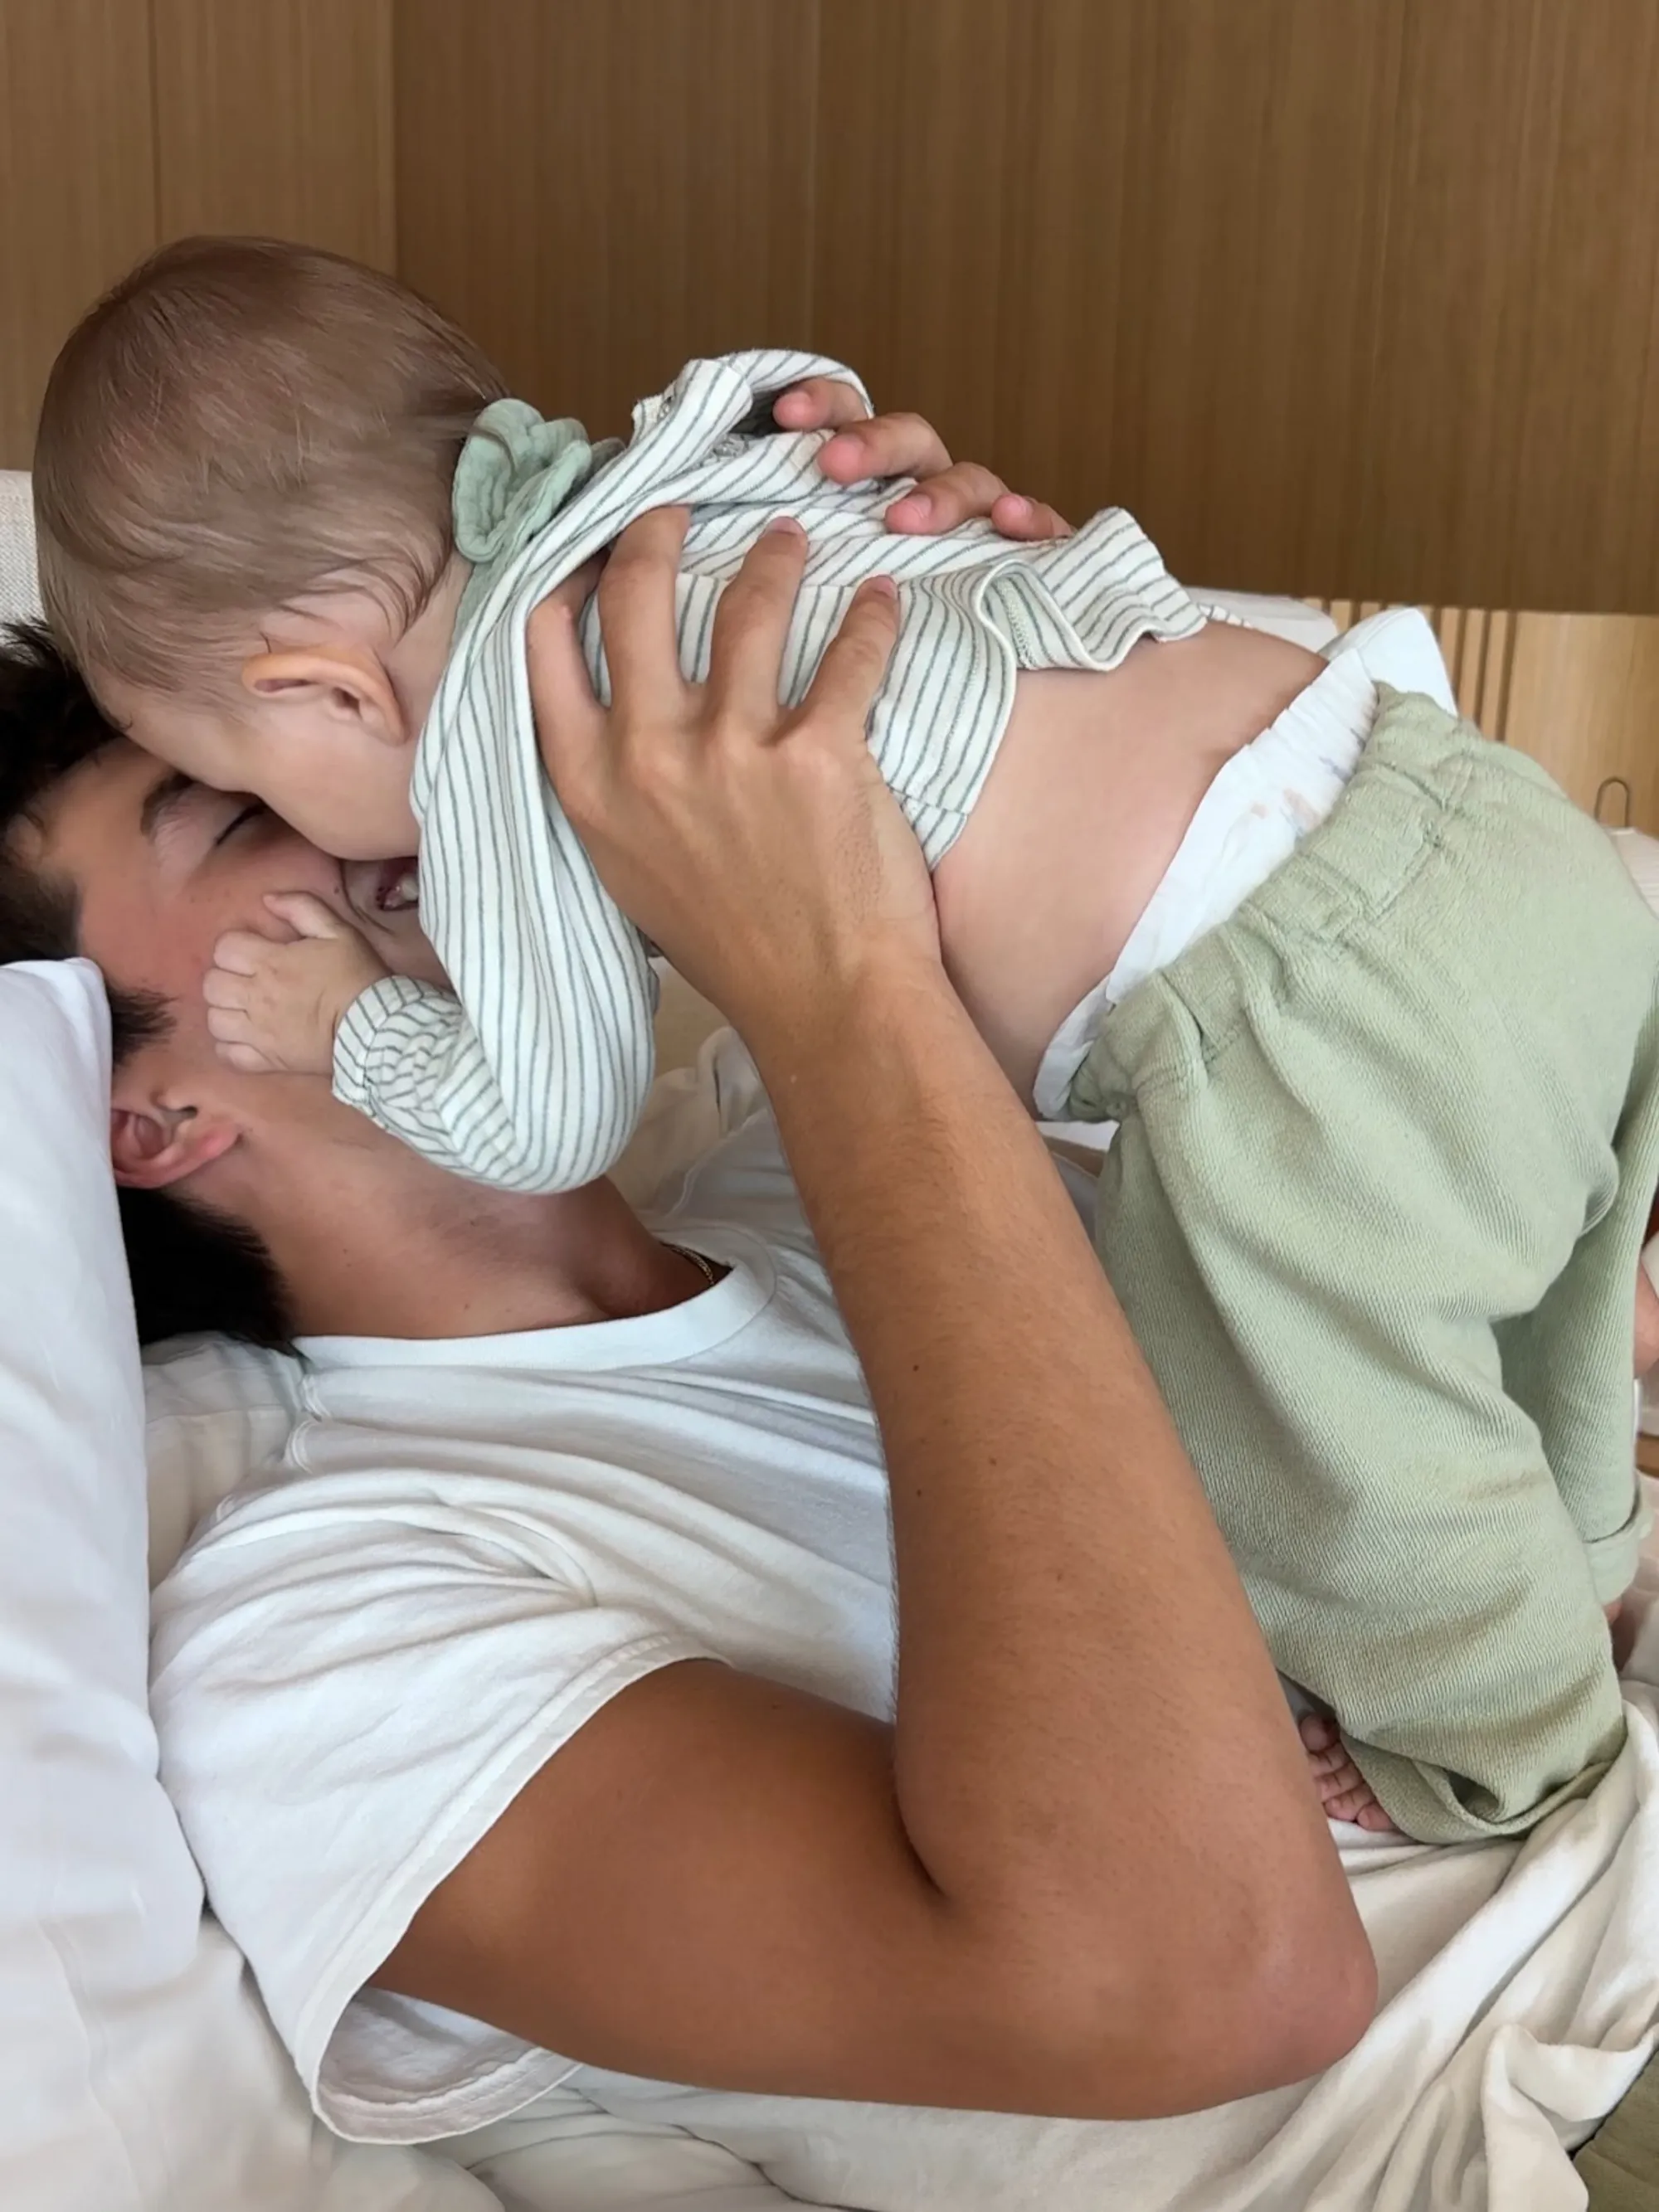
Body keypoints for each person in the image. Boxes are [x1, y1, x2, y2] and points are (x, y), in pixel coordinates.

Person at [32, 240, 1659, 1844]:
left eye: (255, 788)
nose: (349, 854)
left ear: (331, 690)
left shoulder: (527, 753)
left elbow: (550, 1107)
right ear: (141, 1117)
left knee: (1323, 1437)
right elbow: (808, 406)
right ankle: (1585, 1559)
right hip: (1458, 801)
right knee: (1558, 1293)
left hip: (1301, 1006)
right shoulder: (667, 477)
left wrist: (357, 1019)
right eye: (230, 819)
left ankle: (1504, 1743)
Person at [0, 536, 1374, 2156]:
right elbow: (1208, 1980)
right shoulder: (314, 1640)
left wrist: (912, 566)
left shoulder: (809, 1151)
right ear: (143, 1119)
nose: (388, 796)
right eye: (244, 816)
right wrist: (839, 981)